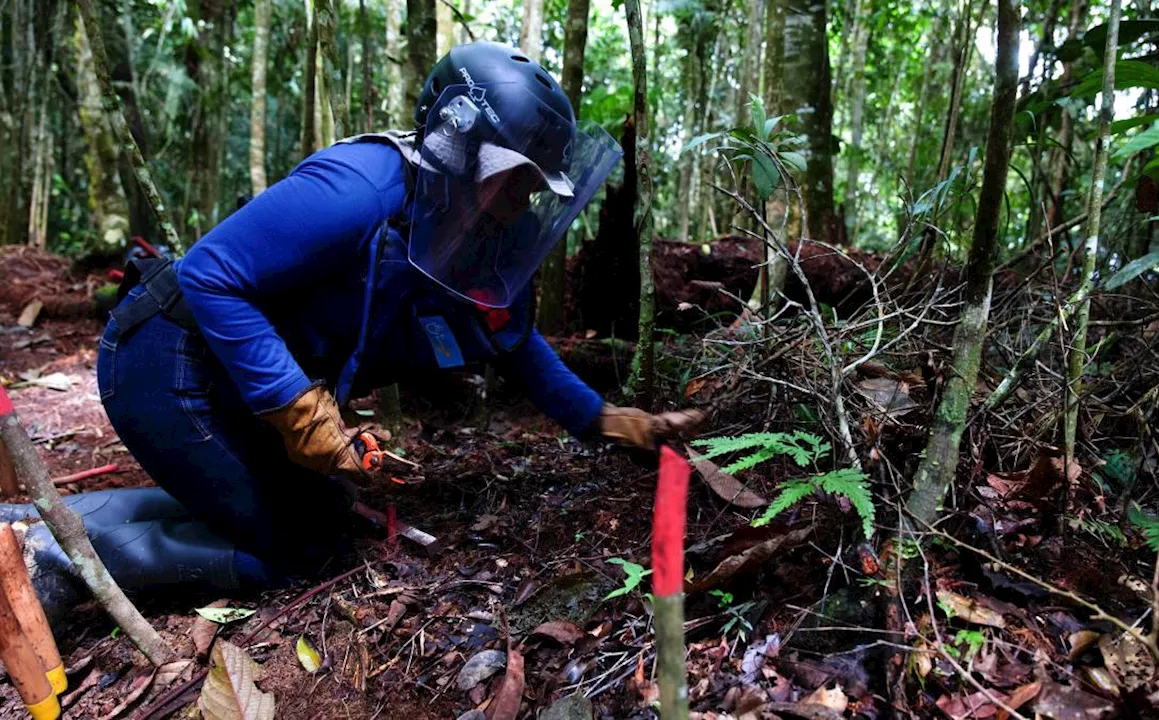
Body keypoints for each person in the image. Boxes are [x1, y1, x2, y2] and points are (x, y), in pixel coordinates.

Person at [4, 42, 702, 624]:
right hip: (166, 355)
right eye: (509, 179)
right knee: (296, 549)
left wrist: (612, 423)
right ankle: (59, 559)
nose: (518, 202)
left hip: (237, 381)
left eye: (532, 186)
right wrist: (302, 411)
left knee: (327, 511)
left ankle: (36, 522)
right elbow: (210, 274)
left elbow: (517, 342)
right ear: (457, 142)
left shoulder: (474, 234)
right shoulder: (362, 186)